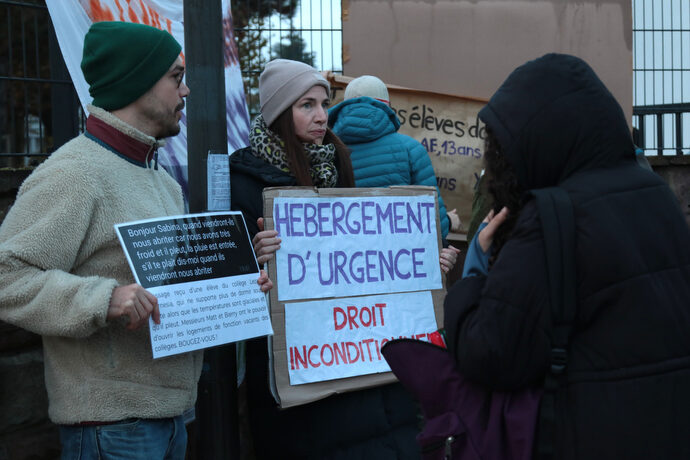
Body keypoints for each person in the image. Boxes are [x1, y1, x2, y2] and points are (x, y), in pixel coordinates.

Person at [0, 21, 271, 459]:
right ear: (137, 82)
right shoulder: (75, 174)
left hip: (169, 418)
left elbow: (172, 282)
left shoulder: (159, 178)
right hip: (112, 429)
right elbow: (6, 275)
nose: (185, 93)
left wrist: (240, 276)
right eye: (175, 78)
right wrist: (101, 299)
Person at [444, 53, 690, 459]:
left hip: (593, 435)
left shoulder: (554, 216)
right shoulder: (657, 196)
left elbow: (490, 352)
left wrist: (472, 279)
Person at [230, 59, 421, 459]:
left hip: (348, 361)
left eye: (323, 103)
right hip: (294, 376)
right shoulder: (244, 182)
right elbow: (229, 285)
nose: (322, 116)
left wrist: (419, 269)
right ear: (280, 113)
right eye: (307, 105)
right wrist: (255, 258)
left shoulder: (336, 165)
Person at [328, 75, 461, 273]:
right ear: (387, 106)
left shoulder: (326, 153)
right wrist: (450, 221)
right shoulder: (411, 150)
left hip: (346, 269)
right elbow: (435, 225)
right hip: (399, 269)